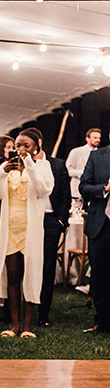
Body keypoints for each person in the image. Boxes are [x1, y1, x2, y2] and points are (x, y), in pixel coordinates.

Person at [0, 129, 54, 338]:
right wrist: (1, 172)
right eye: (18, 146)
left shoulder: (43, 166)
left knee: (31, 275)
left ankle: (27, 326)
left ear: (37, 146)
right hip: (11, 228)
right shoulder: (8, 168)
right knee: (13, 276)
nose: (21, 149)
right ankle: (14, 325)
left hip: (31, 229)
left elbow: (44, 190)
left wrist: (30, 166)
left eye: (26, 145)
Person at [33, 130, 71, 328]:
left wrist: (61, 222)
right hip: (29, 220)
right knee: (26, 264)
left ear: (38, 143)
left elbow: (66, 194)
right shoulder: (22, 166)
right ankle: (20, 310)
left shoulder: (57, 164)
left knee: (47, 265)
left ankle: (43, 314)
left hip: (50, 220)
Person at [79, 141, 110, 333]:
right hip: (101, 223)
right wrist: (105, 188)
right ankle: (103, 320)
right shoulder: (97, 156)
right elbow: (84, 186)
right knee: (100, 273)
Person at [66, 128, 101, 199]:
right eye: (95, 138)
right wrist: (83, 173)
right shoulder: (76, 151)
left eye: (99, 138)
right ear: (87, 138)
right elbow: (67, 170)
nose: (98, 140)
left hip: (95, 193)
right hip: (77, 192)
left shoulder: (101, 154)